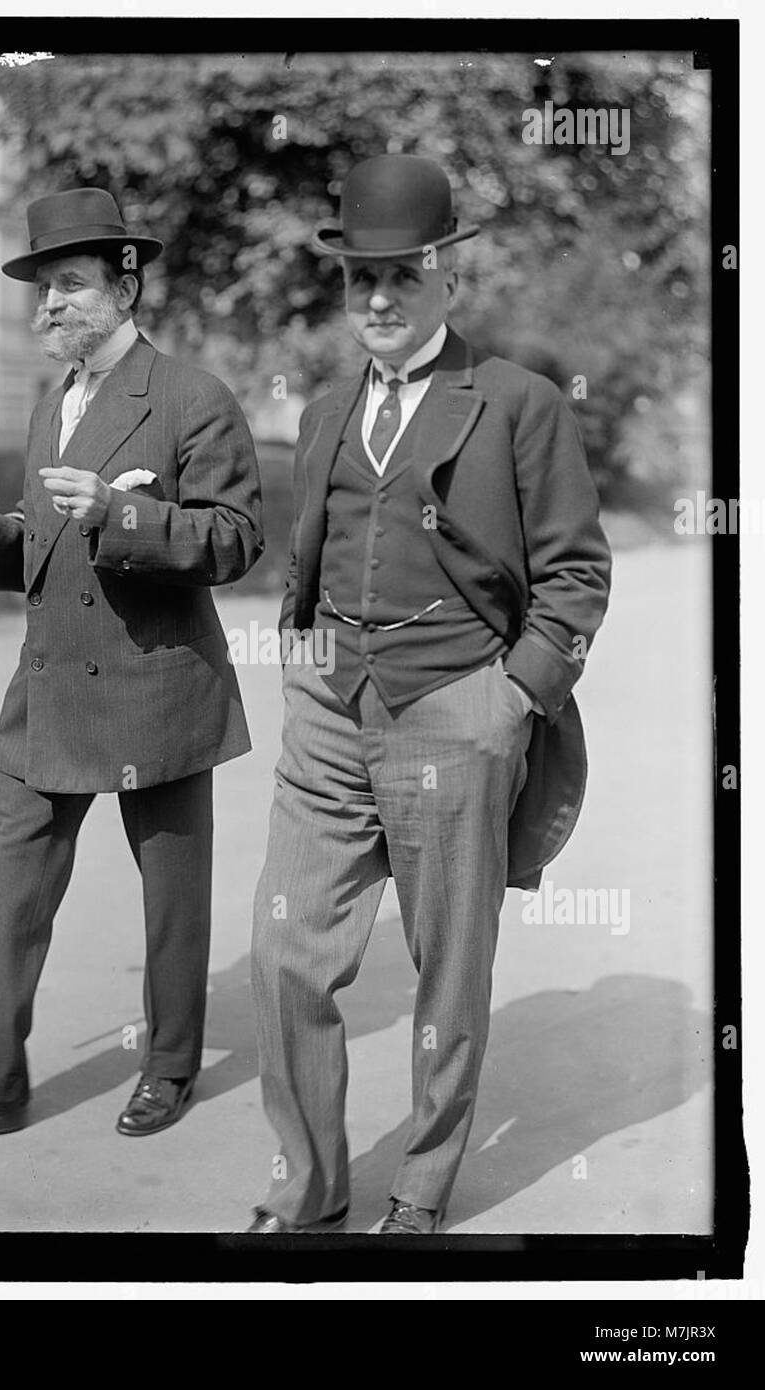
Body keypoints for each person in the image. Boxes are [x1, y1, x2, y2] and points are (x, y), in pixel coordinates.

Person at [247, 154, 612, 1233]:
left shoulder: (516, 404)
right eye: (360, 278)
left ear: (447, 275)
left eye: (401, 276)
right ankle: (309, 1184)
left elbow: (576, 575)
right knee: (283, 947)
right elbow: (307, 556)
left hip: (457, 702)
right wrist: (300, 656)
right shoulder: (322, 412)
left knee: (445, 970)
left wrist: (512, 695)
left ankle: (420, 1184)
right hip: (327, 711)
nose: (377, 299)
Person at [0, 187, 263, 1144]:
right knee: (7, 880)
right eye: (42, 289)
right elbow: (47, 547)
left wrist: (123, 515)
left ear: (127, 287)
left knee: (171, 900)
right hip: (51, 691)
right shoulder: (57, 401)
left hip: (159, 684)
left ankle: (169, 1067)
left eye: (71, 286)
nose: (49, 306)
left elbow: (238, 538)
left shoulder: (191, 398)